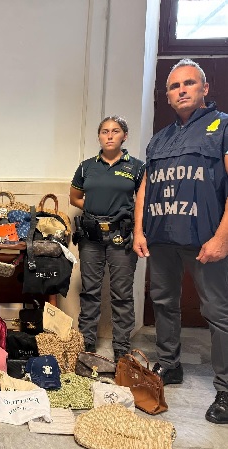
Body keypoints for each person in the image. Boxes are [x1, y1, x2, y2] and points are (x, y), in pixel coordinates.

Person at [133, 58, 228, 424]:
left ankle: (226, 389)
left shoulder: (222, 127)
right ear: (168, 95)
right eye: (174, 86)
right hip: (162, 238)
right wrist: (139, 230)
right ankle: (170, 364)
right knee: (164, 303)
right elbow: (145, 187)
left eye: (189, 83)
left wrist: (222, 237)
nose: (181, 90)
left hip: (205, 240)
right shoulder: (159, 138)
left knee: (218, 313)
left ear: (205, 88)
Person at [70, 116, 145, 363]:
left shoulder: (137, 167)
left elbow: (142, 203)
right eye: (104, 131)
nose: (109, 135)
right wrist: (94, 209)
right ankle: (87, 343)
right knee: (90, 291)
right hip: (91, 237)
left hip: (122, 237)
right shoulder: (86, 167)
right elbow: (74, 198)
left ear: (125, 136)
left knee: (122, 294)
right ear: (99, 136)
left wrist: (123, 219)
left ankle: (121, 347)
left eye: (115, 131)